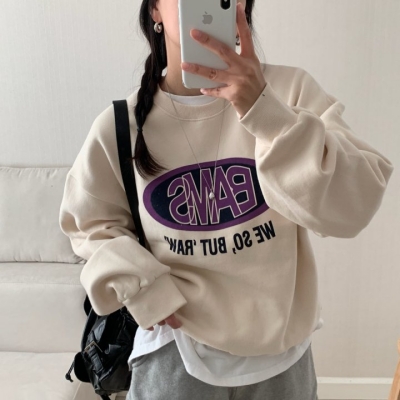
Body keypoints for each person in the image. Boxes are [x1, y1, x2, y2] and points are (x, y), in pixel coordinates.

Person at [59, 0, 394, 399]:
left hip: (282, 354)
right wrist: (145, 290)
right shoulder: (121, 124)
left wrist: (264, 109)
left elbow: (354, 205)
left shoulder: (291, 92)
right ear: (154, 11)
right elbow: (88, 223)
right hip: (175, 350)